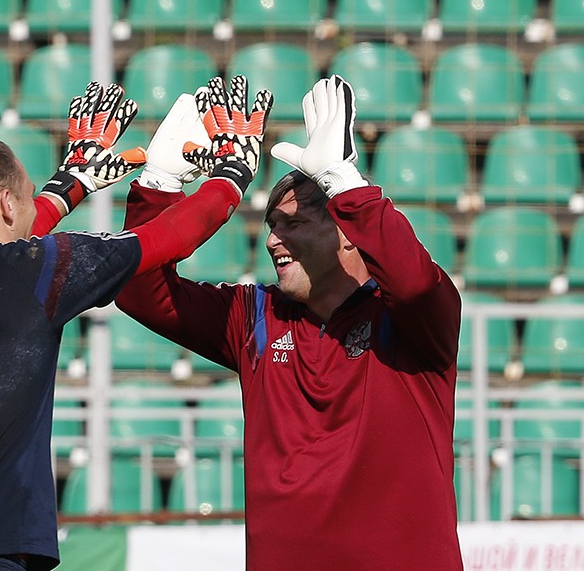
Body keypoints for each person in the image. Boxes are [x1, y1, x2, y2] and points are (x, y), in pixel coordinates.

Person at [0, 78, 272, 571]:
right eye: (25, 197)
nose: (30, 206)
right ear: (5, 205)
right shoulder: (29, 269)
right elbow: (166, 239)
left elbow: (3, 255)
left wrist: (71, 183)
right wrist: (232, 174)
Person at [115, 76, 464, 570]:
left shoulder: (410, 317)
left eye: (294, 224)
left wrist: (346, 184)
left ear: (347, 233)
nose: (274, 240)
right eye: (272, 226)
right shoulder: (255, 314)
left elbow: (414, 281)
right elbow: (139, 293)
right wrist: (159, 186)